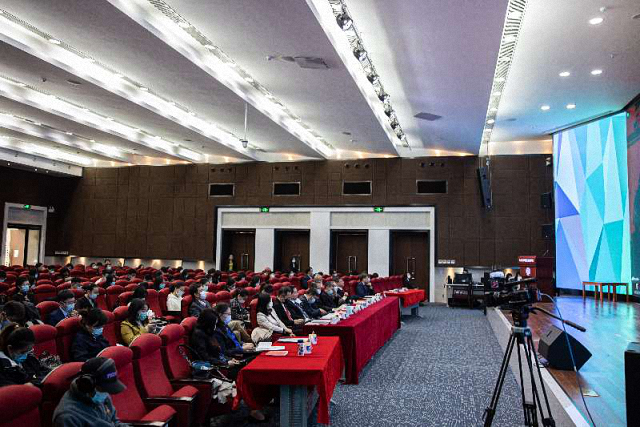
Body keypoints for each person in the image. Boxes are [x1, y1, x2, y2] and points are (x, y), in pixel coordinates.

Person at [189, 310, 266, 423]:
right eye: (214, 324)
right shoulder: (199, 335)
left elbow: (219, 352)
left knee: (254, 361)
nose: (216, 326)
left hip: (224, 362)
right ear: (207, 323)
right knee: (248, 373)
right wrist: (225, 363)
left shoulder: (208, 332)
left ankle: (257, 403)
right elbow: (205, 357)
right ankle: (254, 409)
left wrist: (229, 359)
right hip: (217, 369)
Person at [52, 357, 129, 427]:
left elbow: (114, 422)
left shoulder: (101, 396)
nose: (106, 394)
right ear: (87, 385)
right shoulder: (68, 417)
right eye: (103, 389)